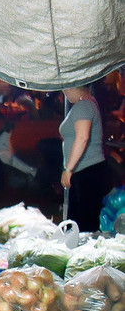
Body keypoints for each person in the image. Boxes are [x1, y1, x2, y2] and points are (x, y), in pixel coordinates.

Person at [60, 85, 110, 232]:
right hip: (86, 171)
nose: (64, 92)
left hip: (87, 171)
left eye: (66, 88)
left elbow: (82, 137)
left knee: (83, 225)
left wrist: (68, 169)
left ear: (74, 87)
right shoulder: (87, 104)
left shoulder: (83, 106)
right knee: (82, 222)